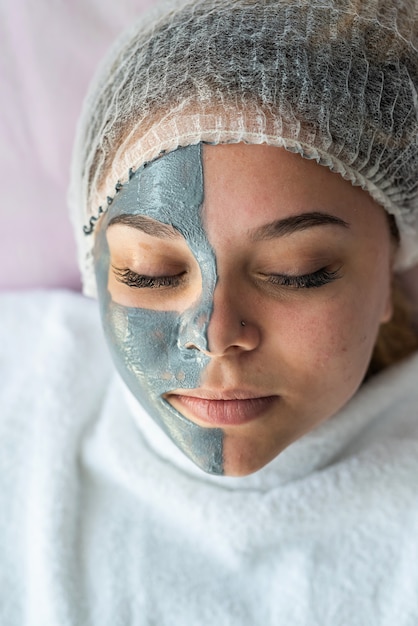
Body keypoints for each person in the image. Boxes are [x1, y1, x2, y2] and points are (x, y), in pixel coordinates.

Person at [1, 0, 418, 623]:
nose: (216, 335)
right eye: (149, 272)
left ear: (389, 270)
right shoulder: (21, 381)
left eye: (297, 273)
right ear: (95, 268)